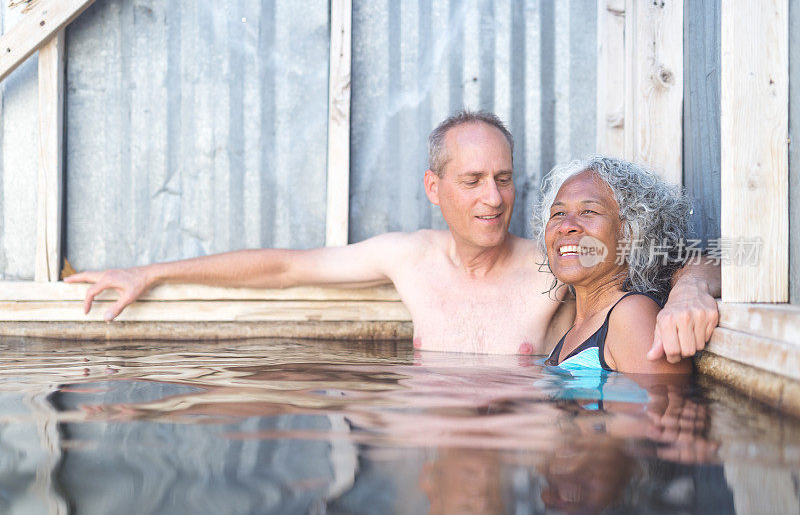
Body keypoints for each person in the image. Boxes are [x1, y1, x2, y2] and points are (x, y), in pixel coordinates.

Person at [65, 111, 718, 359]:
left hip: (521, 443)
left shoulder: (550, 263)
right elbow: (286, 268)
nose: (493, 198)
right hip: (420, 442)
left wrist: (690, 291)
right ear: (435, 188)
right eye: (471, 180)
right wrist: (152, 273)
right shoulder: (408, 257)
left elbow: (672, 254)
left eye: (504, 178)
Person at [535, 155, 695, 373]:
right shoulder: (578, 327)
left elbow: (665, 405)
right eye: (558, 213)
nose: (566, 226)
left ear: (631, 232)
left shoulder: (632, 315)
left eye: (588, 211)